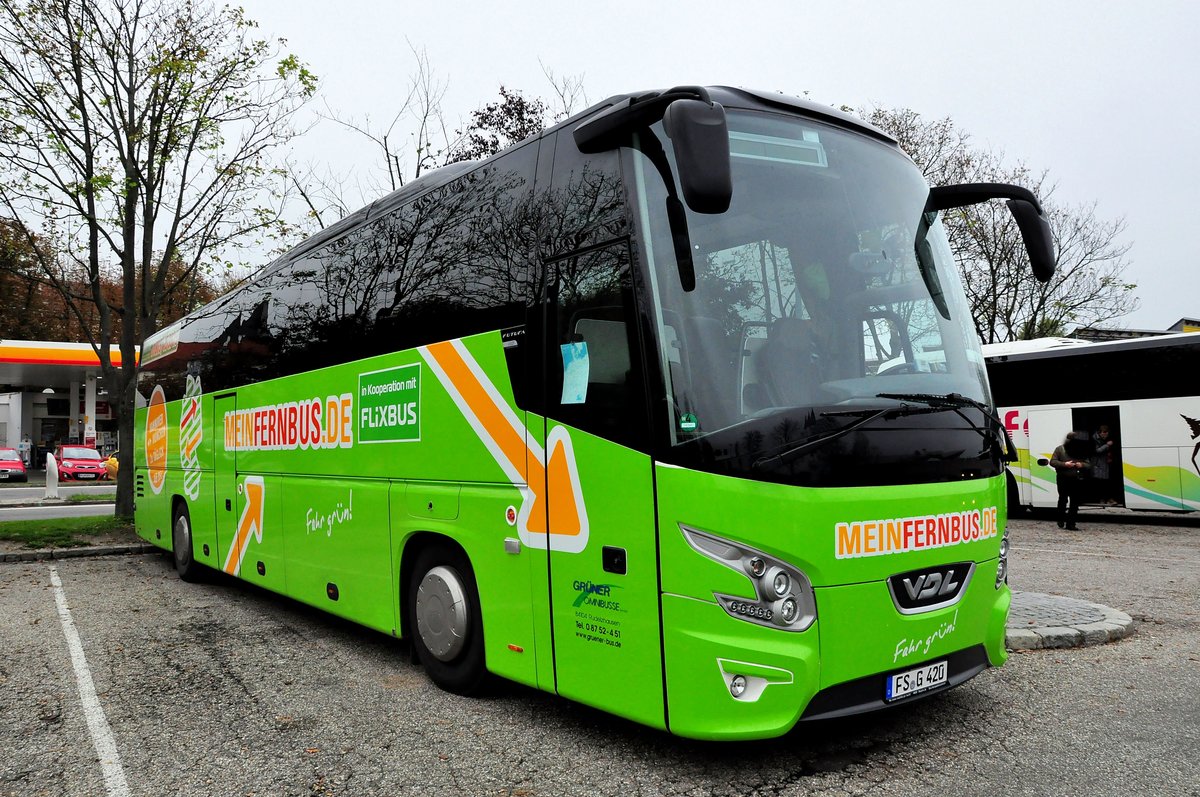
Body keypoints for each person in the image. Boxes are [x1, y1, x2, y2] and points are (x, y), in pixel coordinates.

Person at [1050, 431, 1092, 530]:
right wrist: (1065, 464)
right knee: (1063, 499)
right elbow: (1053, 462)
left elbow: (1088, 464)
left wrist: (1081, 465)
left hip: (1076, 479)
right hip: (1063, 478)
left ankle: (1071, 524)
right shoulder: (1060, 449)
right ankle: (1060, 519)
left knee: (1074, 502)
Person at [1091, 425, 1117, 504]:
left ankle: (1108, 499)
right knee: (1102, 483)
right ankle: (1103, 499)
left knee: (1107, 482)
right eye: (1104, 433)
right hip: (1098, 464)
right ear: (1100, 433)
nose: (1105, 435)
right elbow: (1096, 451)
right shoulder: (1094, 439)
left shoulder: (1104, 438)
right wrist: (1107, 445)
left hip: (1105, 463)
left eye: (1107, 434)